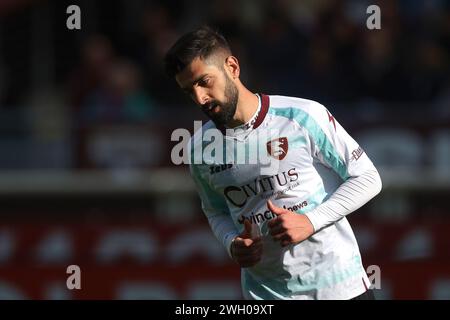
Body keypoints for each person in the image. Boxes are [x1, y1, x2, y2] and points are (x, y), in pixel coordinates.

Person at [164, 26, 382, 300]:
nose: (200, 98)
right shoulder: (198, 149)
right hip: (266, 295)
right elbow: (215, 211)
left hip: (341, 289)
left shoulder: (301, 116)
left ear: (232, 67)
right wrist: (232, 244)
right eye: (189, 91)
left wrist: (310, 222)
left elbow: (368, 178)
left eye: (204, 81)